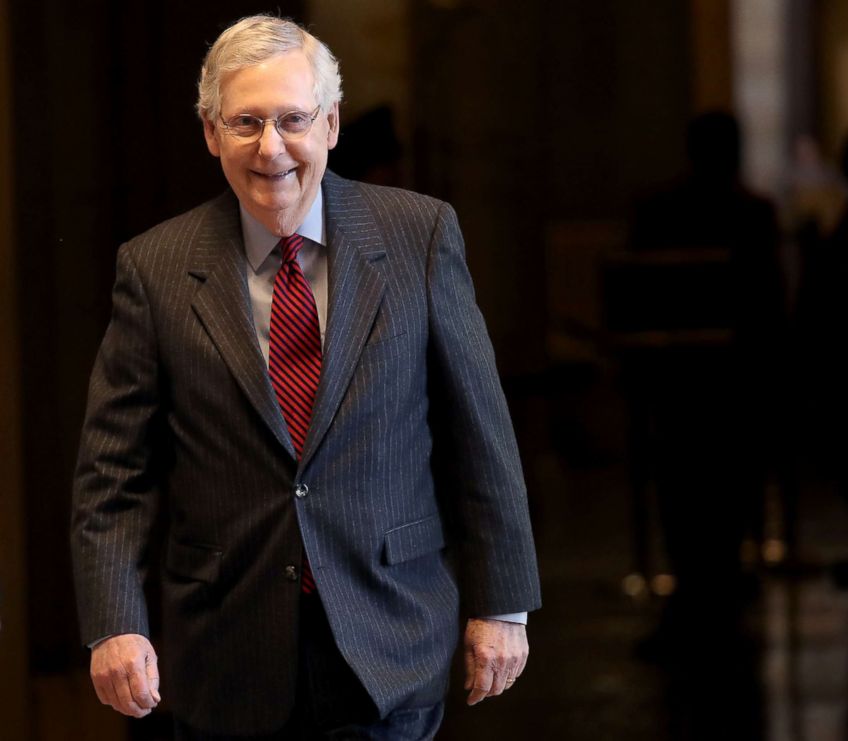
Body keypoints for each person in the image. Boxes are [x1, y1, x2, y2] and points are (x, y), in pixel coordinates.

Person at [70, 15, 540, 740]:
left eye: (293, 120)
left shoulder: (420, 236)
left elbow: (479, 431)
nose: (271, 148)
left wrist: (502, 602)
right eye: (246, 122)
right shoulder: (155, 267)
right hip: (223, 654)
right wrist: (114, 626)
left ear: (332, 125)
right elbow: (112, 474)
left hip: (390, 637)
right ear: (209, 132)